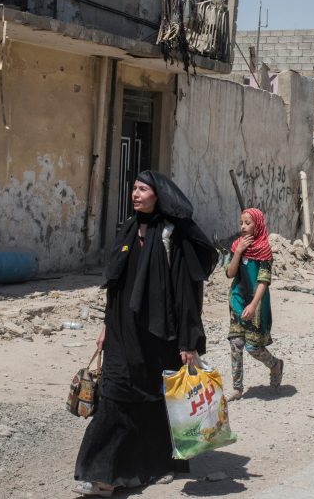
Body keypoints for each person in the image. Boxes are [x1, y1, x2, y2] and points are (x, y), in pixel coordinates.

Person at [74, 171, 217, 497]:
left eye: (142, 189)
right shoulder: (127, 227)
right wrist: (106, 326)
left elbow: (185, 292)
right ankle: (102, 473)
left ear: (159, 195)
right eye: (134, 189)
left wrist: (187, 342)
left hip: (159, 334)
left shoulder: (170, 234)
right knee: (114, 395)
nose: (135, 194)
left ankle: (151, 466)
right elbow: (117, 285)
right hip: (123, 332)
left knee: (154, 402)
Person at [225, 207, 284, 400]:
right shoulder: (237, 246)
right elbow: (230, 273)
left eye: (247, 223)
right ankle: (237, 388)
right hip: (237, 298)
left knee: (252, 347)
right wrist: (239, 251)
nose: (243, 226)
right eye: (241, 222)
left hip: (256, 302)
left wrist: (253, 305)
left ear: (257, 224)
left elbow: (263, 281)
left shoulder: (264, 249)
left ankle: (275, 365)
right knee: (236, 342)